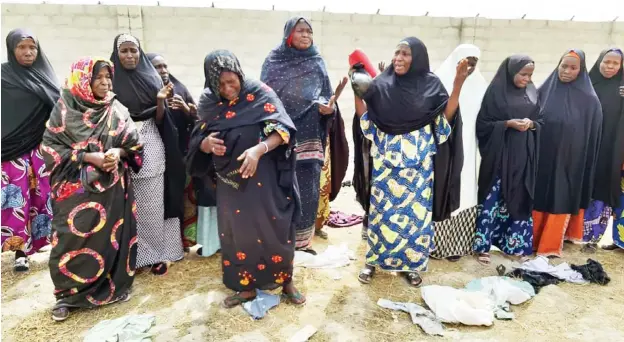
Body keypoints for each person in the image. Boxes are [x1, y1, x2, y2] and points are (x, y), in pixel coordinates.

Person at [187, 50, 305, 307]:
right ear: (210, 82)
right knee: (237, 235)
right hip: (231, 185)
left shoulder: (259, 92)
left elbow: (283, 129)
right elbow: (197, 138)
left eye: (232, 81)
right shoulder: (208, 101)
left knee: (277, 227)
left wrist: (258, 150)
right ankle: (246, 286)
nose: (228, 89)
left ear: (240, 74)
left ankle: (286, 282)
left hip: (266, 178)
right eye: (220, 84)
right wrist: (206, 144)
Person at [354, 37, 468, 287]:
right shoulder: (382, 84)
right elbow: (367, 121)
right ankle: (373, 262)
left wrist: (458, 84)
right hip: (386, 166)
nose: (398, 58)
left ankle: (411, 266)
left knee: (415, 222)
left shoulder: (431, 85)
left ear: (417, 57)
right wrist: (357, 92)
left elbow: (444, 121)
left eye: (405, 53)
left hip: (418, 170)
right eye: (396, 53)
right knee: (381, 217)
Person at [41, 57, 143, 321]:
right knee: (70, 238)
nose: (105, 83)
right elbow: (50, 148)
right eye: (98, 78)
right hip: (75, 192)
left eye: (108, 77)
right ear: (83, 79)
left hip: (112, 189)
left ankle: (114, 286)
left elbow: (134, 144)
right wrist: (88, 157)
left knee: (112, 236)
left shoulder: (116, 107)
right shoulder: (64, 110)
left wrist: (117, 153)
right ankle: (68, 295)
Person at [261, 17, 348, 251]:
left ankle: (302, 242)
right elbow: (265, 97)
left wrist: (328, 108)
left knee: (308, 191)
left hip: (310, 134)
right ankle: (279, 241)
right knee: (280, 189)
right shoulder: (273, 61)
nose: (306, 35)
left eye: (309, 31)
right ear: (289, 33)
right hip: (281, 135)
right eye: (300, 31)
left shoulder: (317, 61)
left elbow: (326, 95)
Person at [111, 34, 186, 275]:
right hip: (119, 146)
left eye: (134, 50)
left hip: (151, 142)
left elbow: (160, 118)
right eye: (124, 51)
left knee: (153, 201)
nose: (130, 55)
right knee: (127, 203)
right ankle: (131, 255)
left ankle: (155, 255)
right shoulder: (109, 81)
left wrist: (160, 101)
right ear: (116, 53)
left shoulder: (151, 78)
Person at [147, 53, 220, 257]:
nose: (162, 70)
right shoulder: (147, 90)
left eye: (164, 66)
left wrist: (187, 109)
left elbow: (198, 121)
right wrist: (161, 103)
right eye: (157, 67)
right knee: (164, 198)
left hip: (183, 153)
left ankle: (185, 242)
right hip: (157, 154)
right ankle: (167, 246)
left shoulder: (179, 89)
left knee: (186, 197)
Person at [532, 50, 603, 257]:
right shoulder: (544, 91)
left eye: (573, 68)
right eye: (564, 66)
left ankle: (550, 246)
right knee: (539, 195)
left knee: (560, 196)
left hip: (571, 161)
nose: (567, 71)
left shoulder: (590, 101)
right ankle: (532, 241)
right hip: (543, 157)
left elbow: (592, 138)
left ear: (581, 71)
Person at [472, 55, 541, 264]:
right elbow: (483, 124)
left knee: (519, 197)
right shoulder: (495, 93)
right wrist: (507, 124)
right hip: (499, 156)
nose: (526, 79)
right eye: (523, 74)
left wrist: (532, 124)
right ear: (511, 72)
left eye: (530, 75)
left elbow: (541, 120)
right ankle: (483, 246)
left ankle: (514, 245)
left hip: (522, 156)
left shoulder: (532, 92)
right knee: (492, 199)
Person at [1, 29, 59, 272]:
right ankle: (19, 252)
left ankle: (51, 244)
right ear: (12, 49)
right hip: (11, 150)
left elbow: (58, 107)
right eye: (22, 47)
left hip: (40, 148)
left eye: (32, 47)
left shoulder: (45, 75)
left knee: (44, 197)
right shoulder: (3, 75)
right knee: (17, 200)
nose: (28, 52)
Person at [432, 44, 487, 262]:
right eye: (465, 61)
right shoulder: (439, 81)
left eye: (473, 62)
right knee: (442, 187)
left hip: (470, 147)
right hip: (444, 146)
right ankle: (436, 245)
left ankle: (457, 245)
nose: (469, 66)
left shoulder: (481, 85)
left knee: (465, 191)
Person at [582, 48, 624, 252]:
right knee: (584, 186)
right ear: (599, 61)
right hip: (587, 146)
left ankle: (594, 236)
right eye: (607, 62)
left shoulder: (622, 88)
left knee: (603, 189)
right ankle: (574, 234)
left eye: (615, 64)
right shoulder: (587, 84)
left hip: (611, 149)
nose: (610, 66)